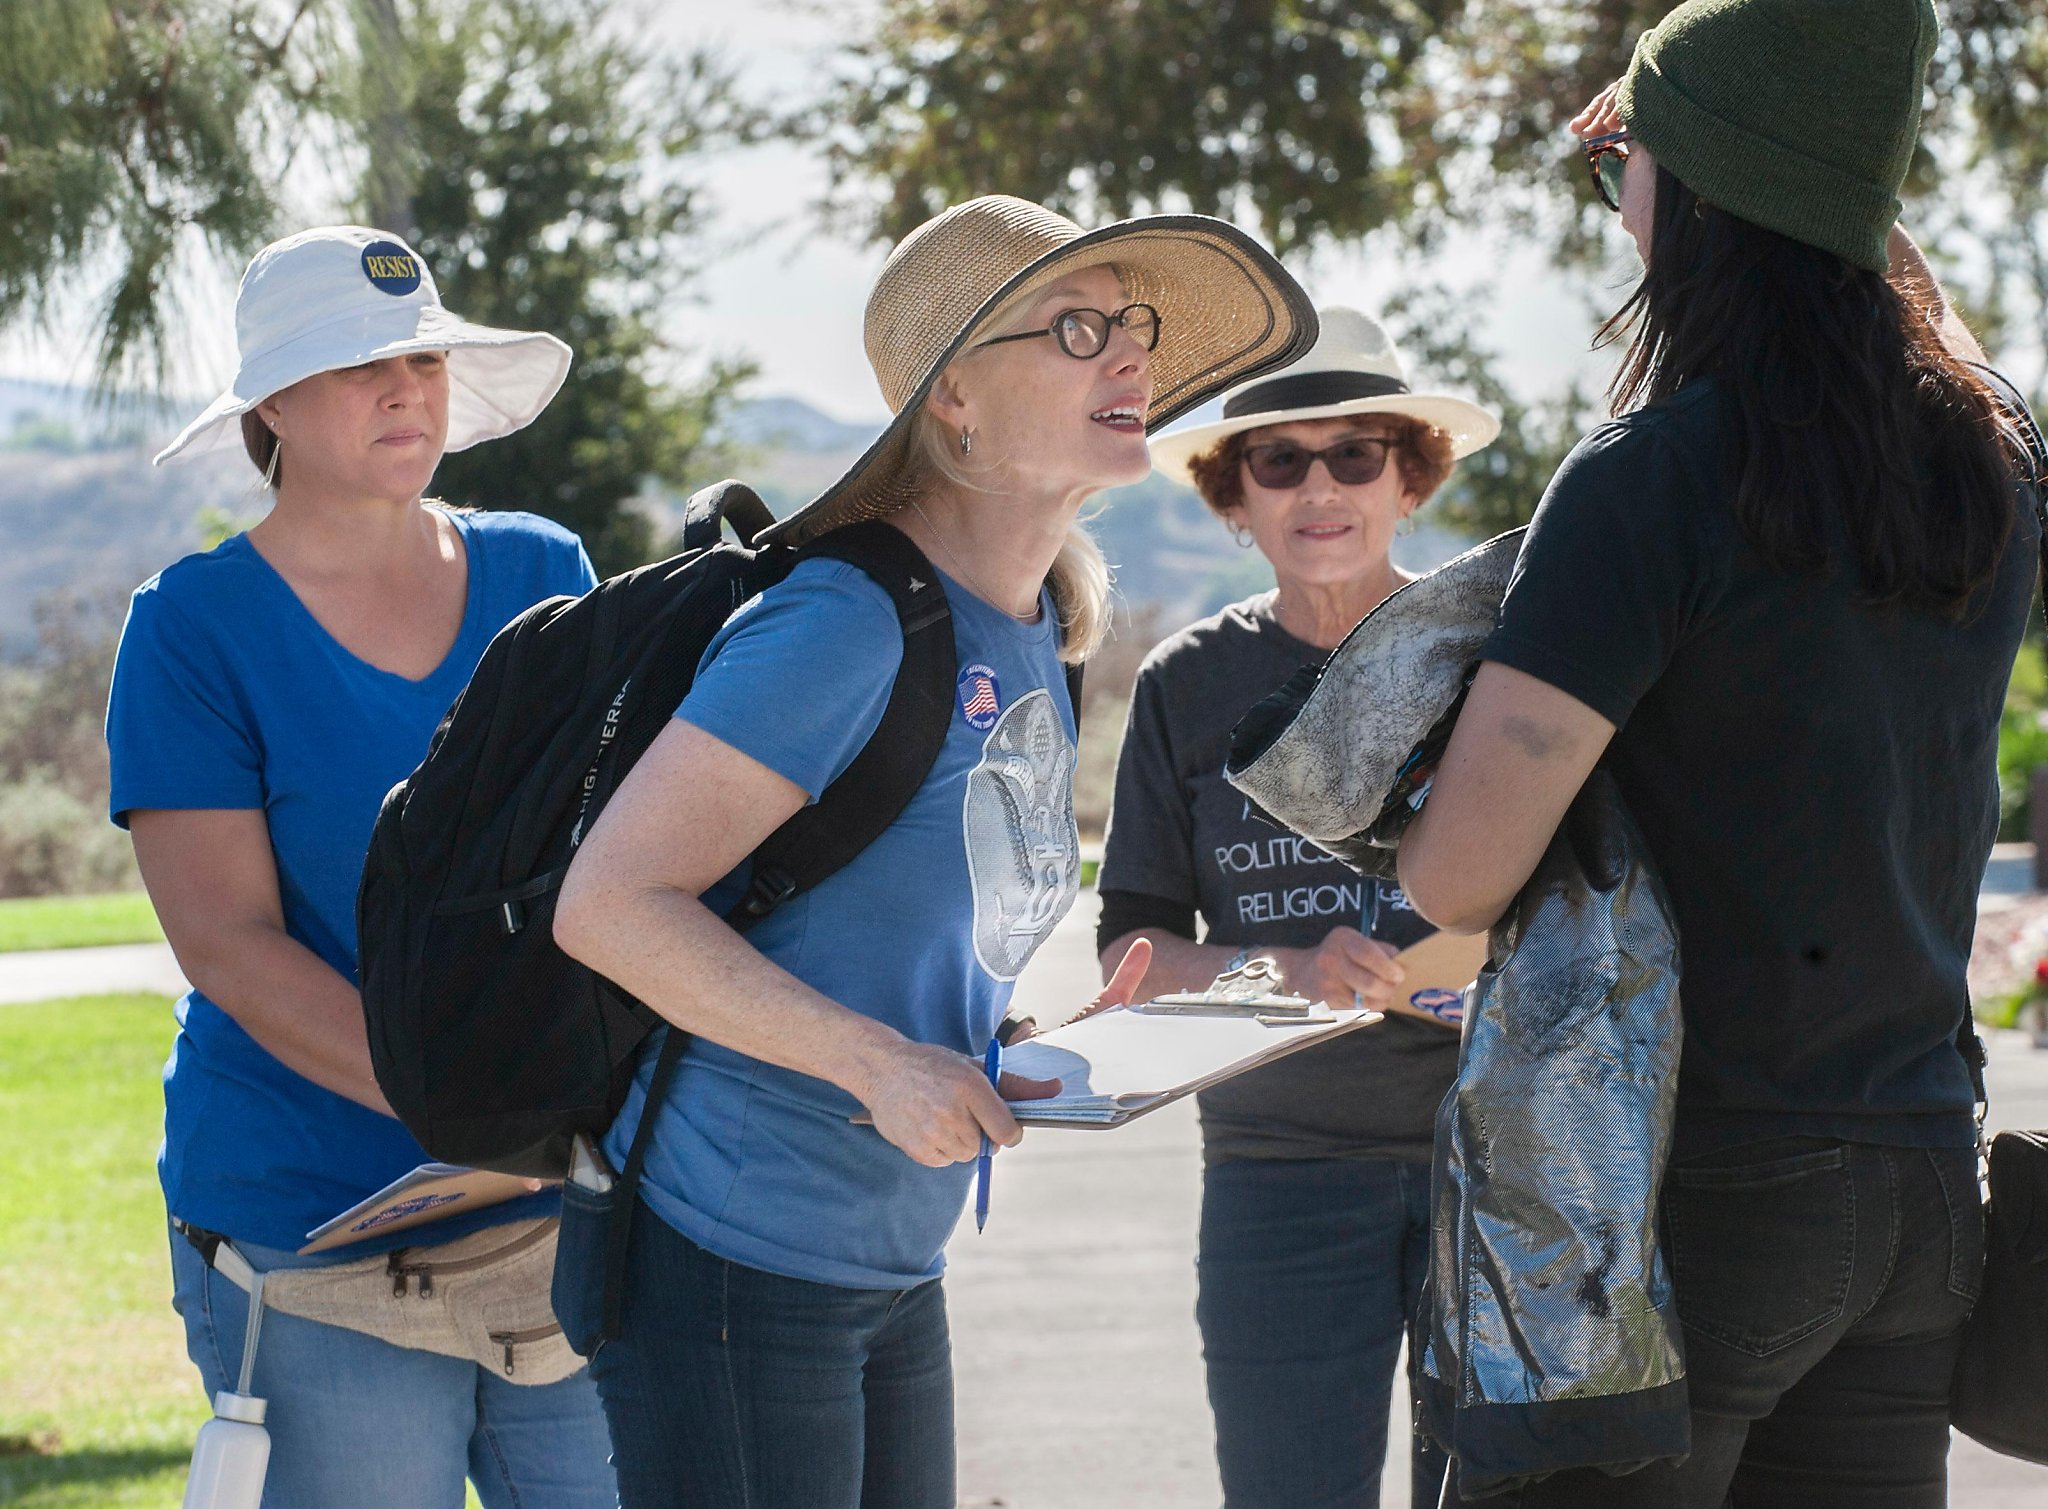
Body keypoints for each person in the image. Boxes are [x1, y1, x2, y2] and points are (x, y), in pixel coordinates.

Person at [547, 193, 1314, 1508]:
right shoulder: (844, 622)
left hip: (891, 1262)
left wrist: (1014, 1046)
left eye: (1132, 323)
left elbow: (880, 928)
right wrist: (879, 1064)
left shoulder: (1040, 630)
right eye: (1079, 328)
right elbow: (610, 903)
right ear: (955, 395)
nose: (1129, 354)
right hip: (738, 1258)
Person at [1395, 2, 2040, 1504]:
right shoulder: (1994, 478)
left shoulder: (1655, 478)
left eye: (1622, 152)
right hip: (1919, 1178)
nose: (1613, 190)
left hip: (1681, 1189)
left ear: (1693, 192)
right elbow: (1971, 375)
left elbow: (1461, 879)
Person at [107, 226, 615, 1507]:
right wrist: (473, 1102)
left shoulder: (544, 574)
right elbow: (229, 945)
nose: (406, 388)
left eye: (426, 359)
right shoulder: (190, 627)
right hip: (312, 1230)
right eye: (358, 366)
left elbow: (620, 857)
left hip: (555, 1212)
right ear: (271, 405)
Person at [1100, 306, 1500, 1509]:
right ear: (1237, 498)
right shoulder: (1186, 685)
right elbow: (1128, 946)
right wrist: (1278, 974)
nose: (1317, 486)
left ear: (1407, 478)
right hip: (1277, 1172)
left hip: (1490, 1166)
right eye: (1278, 460)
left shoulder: (1497, 655)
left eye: (1353, 454)